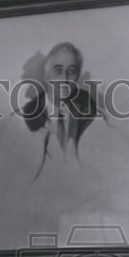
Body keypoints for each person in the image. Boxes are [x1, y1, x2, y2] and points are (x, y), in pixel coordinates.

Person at [19, 42, 100, 177]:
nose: (65, 79)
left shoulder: (93, 117)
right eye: (58, 71)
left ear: (77, 78)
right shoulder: (20, 119)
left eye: (72, 72)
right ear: (46, 76)